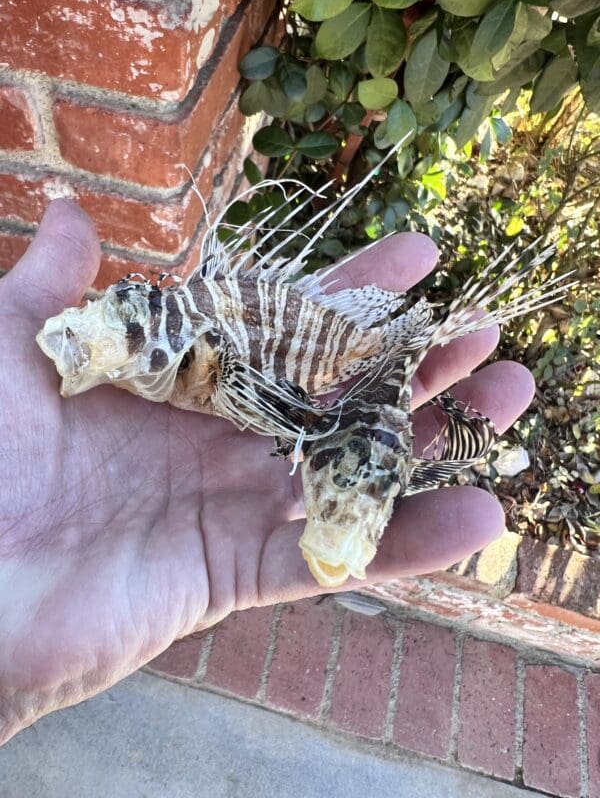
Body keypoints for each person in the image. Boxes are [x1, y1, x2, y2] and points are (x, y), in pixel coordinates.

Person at [0, 199, 534, 745]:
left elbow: (270, 400)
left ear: (194, 361)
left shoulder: (220, 367)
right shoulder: (193, 362)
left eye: (125, 338)